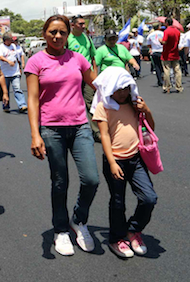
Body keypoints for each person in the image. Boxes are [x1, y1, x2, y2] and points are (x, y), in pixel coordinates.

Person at [26, 15, 98, 256]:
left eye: (62, 32)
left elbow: (97, 84)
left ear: (68, 34)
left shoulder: (77, 59)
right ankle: (60, 229)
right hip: (51, 129)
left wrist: (127, 92)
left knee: (91, 179)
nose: (57, 36)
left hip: (80, 126)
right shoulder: (36, 62)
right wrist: (35, 134)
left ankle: (79, 220)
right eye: (52, 32)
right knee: (60, 181)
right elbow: (33, 99)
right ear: (44, 33)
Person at [91, 67, 157, 258]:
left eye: (126, 88)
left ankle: (133, 230)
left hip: (136, 160)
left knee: (149, 198)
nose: (123, 93)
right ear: (110, 89)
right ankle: (117, 238)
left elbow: (150, 127)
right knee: (118, 202)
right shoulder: (103, 106)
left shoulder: (134, 104)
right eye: (118, 89)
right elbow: (104, 135)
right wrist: (112, 162)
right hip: (115, 161)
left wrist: (147, 110)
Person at [67, 15, 99, 141]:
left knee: (91, 102)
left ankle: (97, 132)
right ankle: (73, 130)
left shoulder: (86, 38)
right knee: (73, 103)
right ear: (73, 25)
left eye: (84, 23)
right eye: (80, 24)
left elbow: (93, 57)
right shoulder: (68, 39)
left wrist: (94, 74)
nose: (83, 26)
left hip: (88, 75)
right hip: (73, 77)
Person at [0, 32, 27, 113]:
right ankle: (6, 106)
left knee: (17, 88)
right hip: (5, 73)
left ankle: (22, 105)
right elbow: (0, 57)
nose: (12, 41)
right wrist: (8, 61)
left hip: (15, 72)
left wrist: (20, 66)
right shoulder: (0, 47)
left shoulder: (13, 46)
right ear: (6, 40)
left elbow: (18, 56)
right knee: (5, 91)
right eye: (10, 40)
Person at [161, 17, 183, 94]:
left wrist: (160, 40)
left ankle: (167, 87)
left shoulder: (167, 31)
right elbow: (178, 42)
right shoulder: (177, 31)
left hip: (167, 54)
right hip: (175, 53)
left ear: (166, 23)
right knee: (177, 70)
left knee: (166, 70)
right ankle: (179, 86)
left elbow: (164, 41)